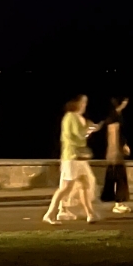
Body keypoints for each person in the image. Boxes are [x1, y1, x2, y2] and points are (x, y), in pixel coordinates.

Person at [43, 95, 101, 225]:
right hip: (72, 157)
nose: (84, 105)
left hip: (79, 158)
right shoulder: (70, 117)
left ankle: (90, 214)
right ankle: (50, 214)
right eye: (82, 102)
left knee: (85, 184)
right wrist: (90, 130)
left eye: (85, 102)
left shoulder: (80, 118)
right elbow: (78, 136)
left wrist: (89, 129)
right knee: (66, 187)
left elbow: (82, 135)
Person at [101, 97, 131, 215]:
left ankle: (116, 202)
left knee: (113, 179)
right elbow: (114, 136)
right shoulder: (115, 119)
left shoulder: (111, 118)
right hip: (115, 155)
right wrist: (119, 150)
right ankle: (119, 204)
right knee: (120, 179)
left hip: (112, 154)